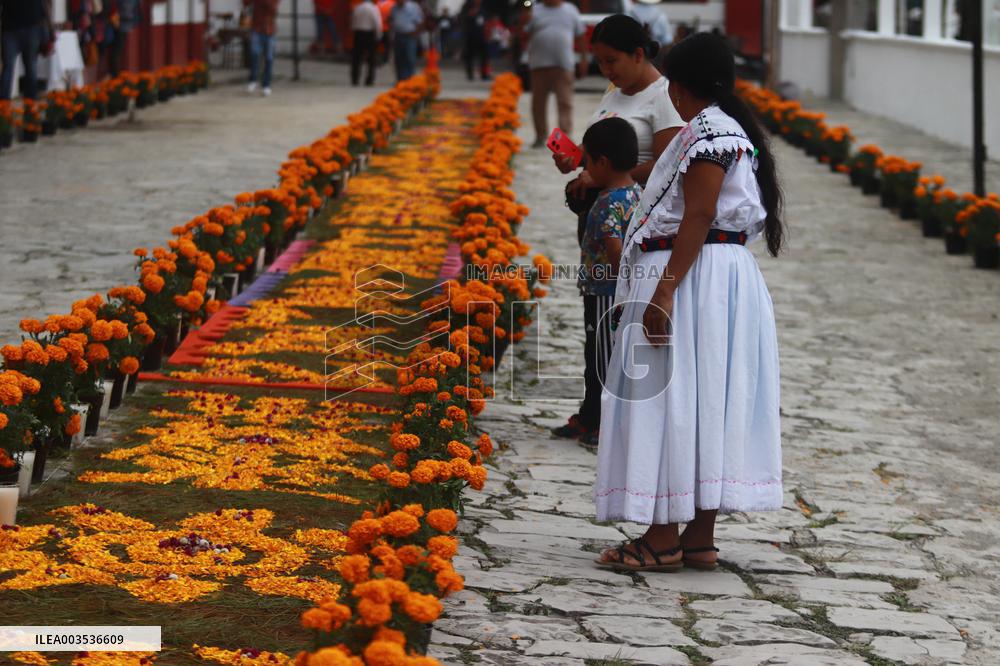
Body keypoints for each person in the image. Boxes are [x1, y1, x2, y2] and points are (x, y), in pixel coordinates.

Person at [594, 33, 785, 572]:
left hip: (694, 278)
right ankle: (698, 538)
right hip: (712, 278)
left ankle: (662, 537)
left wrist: (664, 291)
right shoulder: (720, 130)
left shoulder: (712, 136)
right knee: (704, 400)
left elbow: (698, 216)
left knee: (671, 400)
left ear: (678, 86)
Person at [550, 14, 683, 446]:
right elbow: (603, 146)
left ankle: (611, 417)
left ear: (639, 54)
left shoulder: (663, 97)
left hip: (627, 227)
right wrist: (580, 162)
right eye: (600, 62)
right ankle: (591, 411)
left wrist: (607, 177)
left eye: (612, 61)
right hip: (596, 212)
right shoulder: (615, 91)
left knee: (613, 323)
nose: (606, 71)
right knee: (594, 325)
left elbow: (665, 167)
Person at [576, 117, 643, 426]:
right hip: (624, 292)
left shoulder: (607, 204)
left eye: (587, 160)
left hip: (605, 294)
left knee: (601, 358)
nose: (585, 168)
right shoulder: (638, 194)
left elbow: (615, 252)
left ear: (602, 162)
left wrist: (621, 284)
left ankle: (602, 424)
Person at [525, 0, 586, 147]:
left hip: (564, 64)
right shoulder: (534, 10)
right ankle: (540, 136)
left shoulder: (570, 10)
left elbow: (581, 36)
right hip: (539, 64)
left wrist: (584, 59)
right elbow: (525, 33)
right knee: (538, 102)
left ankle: (564, 139)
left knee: (565, 101)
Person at [0, 0, 51, 100]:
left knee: (12, 68)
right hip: (21, 27)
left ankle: (6, 106)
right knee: (26, 67)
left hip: (18, 27)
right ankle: (7, 106)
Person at [245, 0, 280, 96]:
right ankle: (253, 80)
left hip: (269, 29)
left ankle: (266, 85)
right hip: (257, 28)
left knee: (269, 58)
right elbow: (246, 3)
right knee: (254, 55)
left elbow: (274, 10)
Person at [389, 0, 424, 81]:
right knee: (398, 59)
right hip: (398, 35)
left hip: (410, 36)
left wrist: (416, 33)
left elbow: (420, 22)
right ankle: (401, 79)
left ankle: (410, 79)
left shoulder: (413, 7)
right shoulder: (394, 8)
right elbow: (392, 21)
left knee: (409, 58)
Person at [351, 0, 382, 86]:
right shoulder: (373, 8)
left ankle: (355, 79)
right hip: (369, 34)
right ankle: (369, 79)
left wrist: (354, 30)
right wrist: (378, 35)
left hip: (358, 33)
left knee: (357, 58)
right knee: (371, 58)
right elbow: (377, 22)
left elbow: (353, 20)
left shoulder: (358, 8)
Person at [108, 0, 140, 76]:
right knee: (116, 51)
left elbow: (128, 12)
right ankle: (115, 74)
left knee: (116, 52)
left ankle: (115, 75)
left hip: (121, 26)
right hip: (119, 25)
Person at [460, 0, 489, 81]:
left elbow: (486, 22)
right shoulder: (467, 9)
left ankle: (484, 74)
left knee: (484, 57)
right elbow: (463, 20)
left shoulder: (483, 10)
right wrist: (470, 14)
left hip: (481, 37)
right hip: (471, 37)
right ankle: (470, 74)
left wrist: (487, 34)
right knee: (469, 57)